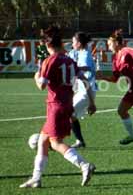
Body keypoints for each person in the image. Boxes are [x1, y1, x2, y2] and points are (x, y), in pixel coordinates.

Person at [19, 26, 96, 188]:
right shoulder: (69, 60)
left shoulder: (50, 61)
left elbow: (41, 85)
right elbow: (85, 81)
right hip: (67, 104)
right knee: (43, 141)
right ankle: (36, 178)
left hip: (56, 106)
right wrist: (92, 102)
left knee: (55, 143)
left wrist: (36, 76)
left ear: (48, 45)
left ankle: (83, 165)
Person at [69, 31, 97, 148]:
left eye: (73, 42)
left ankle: (55, 140)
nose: (72, 44)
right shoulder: (79, 52)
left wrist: (92, 103)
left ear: (79, 43)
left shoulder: (85, 54)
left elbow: (85, 68)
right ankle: (80, 141)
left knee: (68, 114)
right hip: (82, 91)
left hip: (86, 92)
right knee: (70, 115)